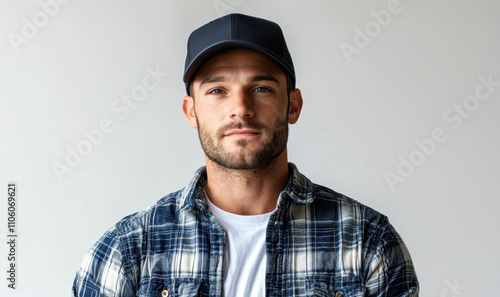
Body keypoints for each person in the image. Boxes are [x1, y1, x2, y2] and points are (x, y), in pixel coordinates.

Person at [72, 13, 419, 297]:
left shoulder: (366, 241)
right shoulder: (129, 250)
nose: (240, 108)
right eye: (218, 90)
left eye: (261, 88)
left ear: (292, 105)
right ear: (190, 111)